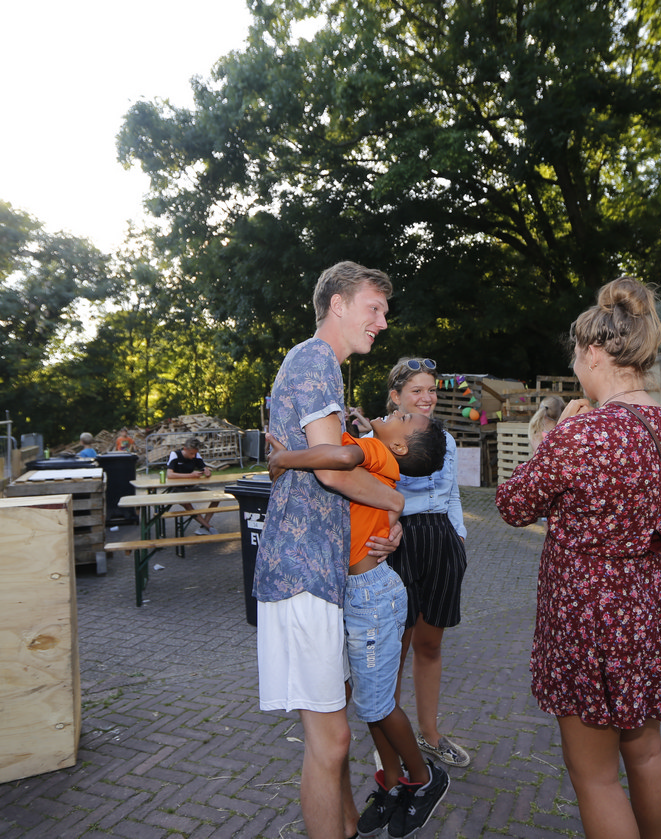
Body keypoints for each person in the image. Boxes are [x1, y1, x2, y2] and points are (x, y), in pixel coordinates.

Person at [494, 276, 661, 839]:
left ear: (592, 353)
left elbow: (512, 504)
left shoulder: (581, 435)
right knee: (647, 753)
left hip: (588, 613)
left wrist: (556, 437)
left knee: (596, 777)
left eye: (576, 358)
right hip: (649, 606)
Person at [253, 261, 403, 839]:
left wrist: (387, 517)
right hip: (301, 571)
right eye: (374, 308)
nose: (382, 322)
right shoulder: (316, 358)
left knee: (331, 734)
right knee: (331, 739)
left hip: (319, 572)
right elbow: (334, 472)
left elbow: (327, 470)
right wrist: (400, 503)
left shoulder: (318, 366)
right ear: (337, 304)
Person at [267, 408, 450, 839]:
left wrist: (284, 458)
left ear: (399, 445)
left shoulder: (373, 451)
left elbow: (339, 459)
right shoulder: (376, 450)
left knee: (377, 704)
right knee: (370, 698)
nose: (398, 411)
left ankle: (424, 779)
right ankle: (392, 779)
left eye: (404, 417)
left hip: (370, 596)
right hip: (355, 592)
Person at [373, 357, 474, 769]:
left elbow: (452, 494)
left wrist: (459, 537)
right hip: (398, 544)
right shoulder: (377, 438)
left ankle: (429, 735)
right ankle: (390, 740)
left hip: (441, 541)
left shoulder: (445, 438)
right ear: (395, 396)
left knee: (430, 645)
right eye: (417, 390)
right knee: (394, 649)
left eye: (431, 389)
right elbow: (364, 494)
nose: (427, 397)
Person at [166, 438, 215, 533]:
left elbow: (204, 468)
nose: (193, 456)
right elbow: (170, 475)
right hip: (177, 488)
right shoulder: (175, 455)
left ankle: (204, 526)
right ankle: (208, 527)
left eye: (195, 454)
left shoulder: (196, 455)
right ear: (185, 449)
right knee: (186, 502)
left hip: (191, 487)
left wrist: (207, 472)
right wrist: (191, 475)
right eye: (191, 453)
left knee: (216, 497)